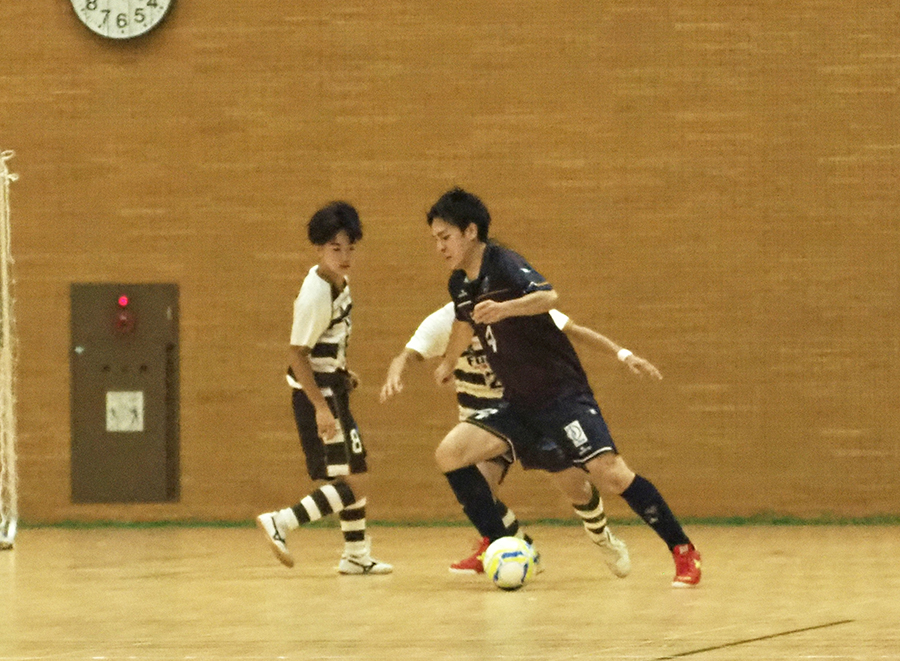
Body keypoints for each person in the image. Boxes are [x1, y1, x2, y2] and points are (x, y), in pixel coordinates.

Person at [425, 187, 701, 587]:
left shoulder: (504, 264)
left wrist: (505, 309)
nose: (439, 247)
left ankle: (682, 549)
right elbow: (466, 324)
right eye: (435, 239)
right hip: (518, 404)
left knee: (610, 475)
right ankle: (502, 543)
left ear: (470, 231)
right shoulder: (460, 284)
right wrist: (449, 362)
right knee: (450, 454)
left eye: (445, 237)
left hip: (561, 397)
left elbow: (548, 296)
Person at [381, 303, 660, 577]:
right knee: (479, 490)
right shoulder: (444, 321)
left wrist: (624, 354)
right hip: (484, 418)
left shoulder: (515, 305)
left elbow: (575, 330)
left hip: (528, 410)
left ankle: (601, 536)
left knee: (575, 487)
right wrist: (395, 374)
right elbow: (406, 355)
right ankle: (517, 547)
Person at [256, 201, 392, 575]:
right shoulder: (316, 293)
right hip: (319, 396)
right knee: (355, 480)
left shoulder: (338, 282)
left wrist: (341, 371)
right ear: (319, 248)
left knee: (352, 470)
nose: (345, 257)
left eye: (350, 248)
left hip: (333, 388)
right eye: (336, 248)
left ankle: (356, 555)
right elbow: (297, 354)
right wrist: (320, 407)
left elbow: (323, 346)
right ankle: (281, 521)